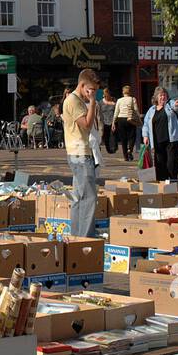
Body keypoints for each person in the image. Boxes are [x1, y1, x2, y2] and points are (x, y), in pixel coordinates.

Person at [62, 69, 100, 238]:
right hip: (80, 153)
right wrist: (92, 103)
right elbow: (86, 124)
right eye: (91, 90)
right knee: (89, 198)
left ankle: (77, 236)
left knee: (78, 198)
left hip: (77, 152)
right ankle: (86, 238)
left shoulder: (73, 100)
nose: (93, 94)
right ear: (83, 85)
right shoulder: (74, 101)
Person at [143, 87, 178, 180]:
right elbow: (145, 124)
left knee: (171, 163)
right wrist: (145, 136)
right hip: (157, 142)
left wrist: (177, 105)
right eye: (161, 95)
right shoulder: (151, 110)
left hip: (171, 141)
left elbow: (175, 106)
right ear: (156, 97)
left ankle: (173, 181)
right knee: (160, 165)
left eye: (164, 95)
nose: (163, 97)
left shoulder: (169, 105)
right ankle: (162, 186)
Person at [114, 86, 141, 162]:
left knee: (123, 138)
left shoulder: (119, 100)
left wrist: (113, 122)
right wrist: (139, 118)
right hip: (130, 119)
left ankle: (125, 156)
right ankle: (130, 150)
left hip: (121, 119)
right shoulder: (133, 99)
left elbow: (116, 112)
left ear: (123, 92)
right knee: (132, 136)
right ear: (130, 92)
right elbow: (136, 110)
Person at [99, 90, 118, 155]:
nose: (106, 96)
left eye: (107, 95)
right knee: (106, 136)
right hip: (104, 122)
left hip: (112, 121)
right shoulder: (100, 102)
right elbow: (99, 112)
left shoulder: (114, 102)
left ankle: (114, 148)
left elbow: (116, 111)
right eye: (105, 95)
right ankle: (108, 149)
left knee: (113, 135)